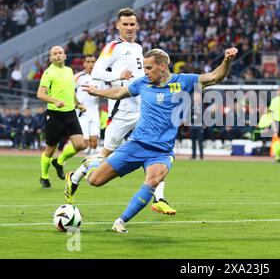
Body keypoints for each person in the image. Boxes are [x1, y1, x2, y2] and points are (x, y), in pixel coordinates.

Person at [80, 47, 238, 233]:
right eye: (144, 68)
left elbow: (213, 77)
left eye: (148, 68)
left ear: (162, 67)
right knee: (94, 180)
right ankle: (90, 165)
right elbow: (120, 92)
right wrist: (97, 92)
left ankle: (120, 221)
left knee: (153, 181)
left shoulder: (183, 81)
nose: (144, 71)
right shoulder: (142, 83)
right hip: (136, 145)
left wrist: (227, 60)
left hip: (161, 151)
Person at [65, 8, 175, 215]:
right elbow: (97, 72)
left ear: (138, 25)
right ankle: (76, 176)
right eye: (125, 24)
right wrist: (118, 75)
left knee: (157, 149)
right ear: (117, 25)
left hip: (143, 107)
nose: (129, 28)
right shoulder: (112, 47)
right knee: (106, 155)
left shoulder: (139, 48)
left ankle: (160, 198)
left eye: (133, 24)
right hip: (122, 109)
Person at [36, 46, 87, 188]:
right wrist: (55, 101)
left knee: (80, 145)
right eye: (55, 54)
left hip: (70, 113)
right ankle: (44, 177)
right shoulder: (48, 73)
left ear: (65, 56)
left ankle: (58, 162)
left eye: (60, 53)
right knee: (50, 149)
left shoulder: (69, 71)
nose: (58, 55)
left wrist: (78, 104)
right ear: (51, 58)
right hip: (55, 115)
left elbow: (70, 92)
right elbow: (40, 94)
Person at [74, 55, 101, 155]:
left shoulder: (100, 77)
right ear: (84, 64)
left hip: (94, 112)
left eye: (93, 62)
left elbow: (104, 92)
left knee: (94, 142)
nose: (91, 64)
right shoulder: (78, 77)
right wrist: (77, 104)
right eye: (88, 62)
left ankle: (90, 167)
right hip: (82, 113)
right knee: (84, 144)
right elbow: (69, 91)